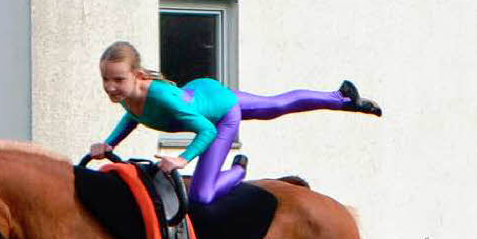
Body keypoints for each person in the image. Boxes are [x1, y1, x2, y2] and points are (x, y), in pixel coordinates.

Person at [89, 41, 382, 204]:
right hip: (209, 94)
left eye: (118, 79)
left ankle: (238, 172)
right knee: (275, 104)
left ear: (138, 75)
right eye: (106, 80)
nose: (111, 87)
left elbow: (207, 130)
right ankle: (341, 98)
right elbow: (133, 117)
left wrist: (182, 159)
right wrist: (109, 143)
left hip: (221, 115)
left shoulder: (162, 98)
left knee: (202, 197)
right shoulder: (129, 97)